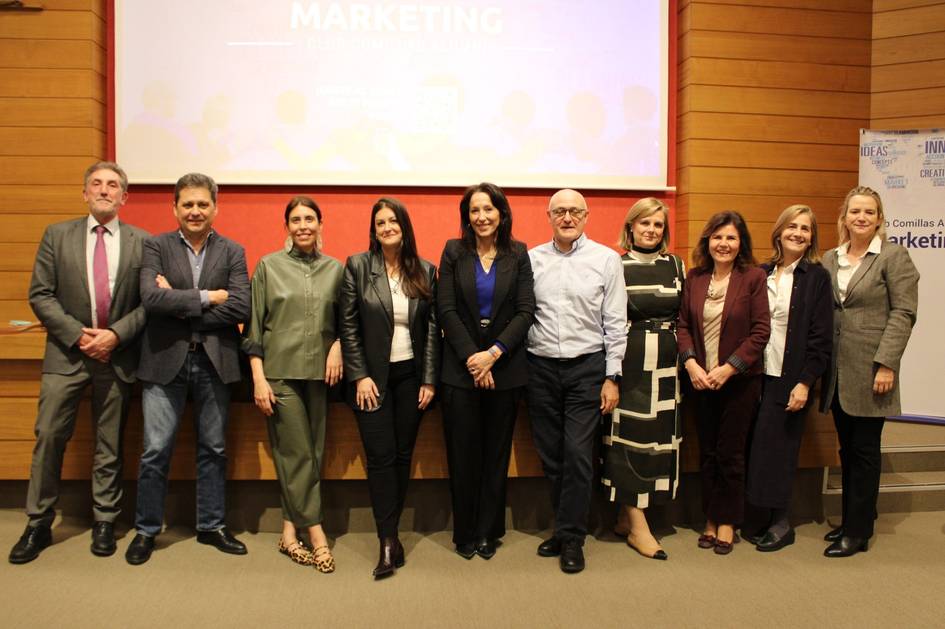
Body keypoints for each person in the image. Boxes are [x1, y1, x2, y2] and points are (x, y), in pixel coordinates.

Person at [9, 162, 148, 564]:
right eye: (97, 184)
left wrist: (115, 334)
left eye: (113, 186)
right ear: (84, 192)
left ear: (124, 197)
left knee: (110, 443)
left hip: (117, 355)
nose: (105, 190)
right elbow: (41, 295)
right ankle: (37, 522)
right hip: (66, 354)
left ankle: (105, 519)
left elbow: (147, 304)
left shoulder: (143, 241)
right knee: (49, 435)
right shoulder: (57, 235)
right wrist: (79, 335)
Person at [125, 172, 251, 566]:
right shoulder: (156, 246)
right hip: (164, 361)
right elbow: (149, 298)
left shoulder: (232, 251)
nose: (195, 211)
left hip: (215, 361)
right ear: (175, 208)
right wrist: (207, 297)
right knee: (155, 449)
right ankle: (146, 530)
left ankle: (211, 526)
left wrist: (178, 304)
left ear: (215, 208)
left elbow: (240, 307)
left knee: (213, 448)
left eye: (202, 204)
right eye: (188, 204)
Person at [527, 189, 627, 574]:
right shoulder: (531, 259)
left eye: (575, 211)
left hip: (587, 368)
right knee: (552, 457)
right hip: (540, 368)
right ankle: (565, 526)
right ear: (549, 216)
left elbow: (616, 323)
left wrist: (612, 376)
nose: (567, 217)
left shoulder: (606, 260)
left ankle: (572, 538)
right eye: (560, 211)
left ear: (586, 216)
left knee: (580, 456)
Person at [339, 197, 439, 579]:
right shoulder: (358, 267)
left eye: (392, 220)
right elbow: (348, 326)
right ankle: (386, 541)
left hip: (412, 378)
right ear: (374, 230)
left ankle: (392, 536)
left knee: (401, 456)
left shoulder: (425, 271)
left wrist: (429, 379)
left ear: (404, 226)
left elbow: (431, 331)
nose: (386, 227)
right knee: (380, 458)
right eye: (379, 222)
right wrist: (360, 374)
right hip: (372, 380)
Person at [243, 196, 343, 572]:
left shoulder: (337, 269)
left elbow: (346, 323)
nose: (303, 225)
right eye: (296, 219)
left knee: (310, 455)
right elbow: (253, 329)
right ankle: (317, 534)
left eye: (310, 219)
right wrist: (258, 378)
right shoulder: (268, 266)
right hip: (279, 375)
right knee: (298, 453)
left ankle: (288, 534)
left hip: (320, 375)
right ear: (286, 226)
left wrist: (337, 346)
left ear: (320, 224)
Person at [437, 183, 535, 560]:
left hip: (505, 369)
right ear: (467, 216)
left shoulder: (519, 254)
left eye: (488, 209)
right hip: (460, 371)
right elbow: (445, 309)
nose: (481, 217)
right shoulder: (453, 251)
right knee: (462, 454)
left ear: (501, 213)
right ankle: (464, 532)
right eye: (474, 210)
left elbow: (526, 311)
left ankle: (488, 532)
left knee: (496, 454)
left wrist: (492, 354)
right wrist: (474, 359)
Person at [820, 186, 918, 558]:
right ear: (844, 217)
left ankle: (858, 532)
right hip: (838, 373)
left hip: (873, 369)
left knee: (864, 450)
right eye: (855, 211)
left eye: (869, 212)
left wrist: (887, 363)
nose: (861, 218)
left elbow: (904, 312)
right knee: (848, 448)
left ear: (879, 218)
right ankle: (851, 520)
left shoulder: (893, 256)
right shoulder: (832, 258)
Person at [677, 211, 769, 556]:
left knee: (731, 454)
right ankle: (711, 518)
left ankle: (728, 520)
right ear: (708, 241)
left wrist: (728, 368)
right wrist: (691, 363)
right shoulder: (695, 278)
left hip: (739, 382)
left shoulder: (753, 278)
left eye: (731, 237)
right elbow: (682, 325)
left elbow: (761, 332)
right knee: (709, 452)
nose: (724, 244)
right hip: (700, 381)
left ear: (740, 242)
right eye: (717, 237)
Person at [744, 205, 832, 552]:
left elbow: (821, 337)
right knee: (756, 445)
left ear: (812, 237)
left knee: (780, 449)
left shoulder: (817, 277)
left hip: (789, 377)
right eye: (792, 226)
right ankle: (758, 516)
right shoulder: (760, 272)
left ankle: (781, 522)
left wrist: (806, 381)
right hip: (754, 373)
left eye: (805, 229)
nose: (798, 233)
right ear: (778, 231)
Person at [601, 197, 685, 561]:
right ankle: (638, 525)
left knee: (657, 443)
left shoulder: (676, 265)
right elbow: (608, 321)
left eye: (658, 225)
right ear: (631, 227)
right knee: (627, 441)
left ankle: (626, 515)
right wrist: (612, 374)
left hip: (668, 367)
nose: (651, 230)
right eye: (644, 223)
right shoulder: (615, 265)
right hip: (629, 362)